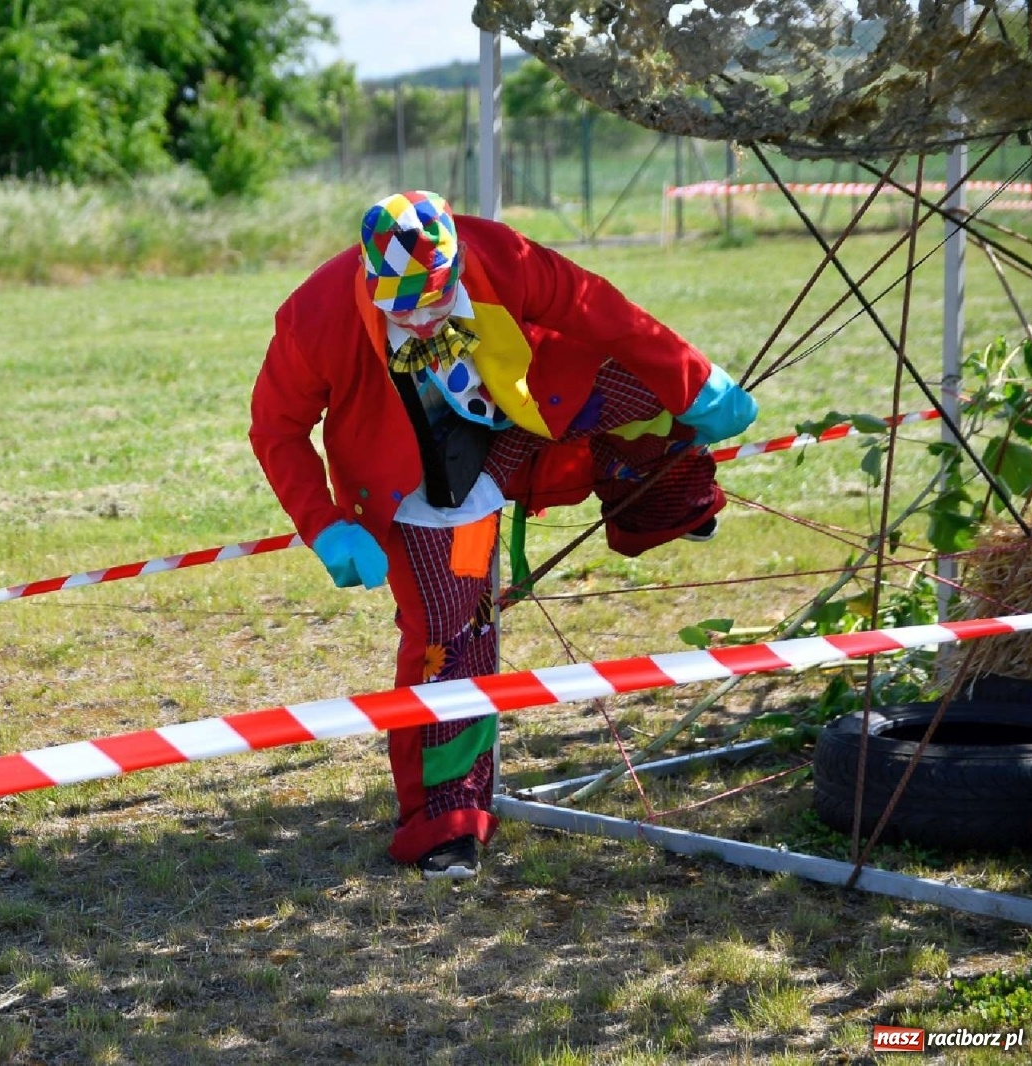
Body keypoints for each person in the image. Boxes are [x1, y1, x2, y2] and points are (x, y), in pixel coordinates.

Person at [248, 190, 756, 880]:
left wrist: (693, 380)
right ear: (370, 286)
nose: (426, 321)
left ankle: (665, 503)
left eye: (437, 300)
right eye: (406, 309)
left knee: (648, 384)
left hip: (520, 424)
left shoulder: (498, 255)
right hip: (427, 495)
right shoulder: (316, 317)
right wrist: (326, 525)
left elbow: (597, 308)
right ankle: (446, 822)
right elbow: (276, 429)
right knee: (456, 640)